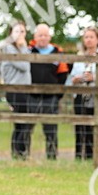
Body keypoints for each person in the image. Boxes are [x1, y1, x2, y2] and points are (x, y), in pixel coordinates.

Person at [29, 23, 69, 160]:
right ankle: (22, 155)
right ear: (35, 37)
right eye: (40, 35)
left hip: (51, 97)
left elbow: (63, 74)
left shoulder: (57, 52)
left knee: (50, 128)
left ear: (49, 37)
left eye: (45, 35)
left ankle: (51, 156)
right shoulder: (29, 51)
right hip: (31, 95)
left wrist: (58, 94)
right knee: (26, 126)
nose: (43, 38)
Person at [69, 27, 98, 160]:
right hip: (80, 95)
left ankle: (92, 155)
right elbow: (72, 78)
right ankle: (79, 155)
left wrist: (94, 78)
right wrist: (78, 78)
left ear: (97, 39)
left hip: (96, 96)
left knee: (93, 126)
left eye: (91, 37)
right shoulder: (80, 56)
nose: (89, 40)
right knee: (80, 126)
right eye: (86, 37)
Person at [0, 21, 35, 160]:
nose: (20, 35)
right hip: (15, 90)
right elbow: (24, 66)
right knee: (24, 122)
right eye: (17, 31)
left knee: (22, 123)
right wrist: (24, 46)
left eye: (23, 32)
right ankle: (19, 152)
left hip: (24, 90)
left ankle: (19, 153)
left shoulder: (21, 49)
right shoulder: (10, 49)